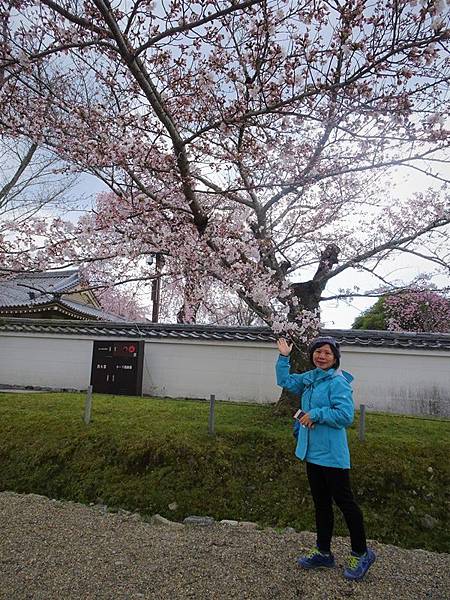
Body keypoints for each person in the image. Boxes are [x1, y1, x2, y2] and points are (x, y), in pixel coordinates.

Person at [276, 336, 376, 581]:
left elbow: (345, 416)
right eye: (318, 352)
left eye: (327, 353)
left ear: (335, 358)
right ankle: (323, 551)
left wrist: (316, 414)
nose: (321, 356)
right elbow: (285, 381)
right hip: (312, 452)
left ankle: (361, 552)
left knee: (345, 503)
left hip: (332, 454)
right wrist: (283, 357)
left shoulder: (338, 382)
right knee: (321, 503)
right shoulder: (310, 379)